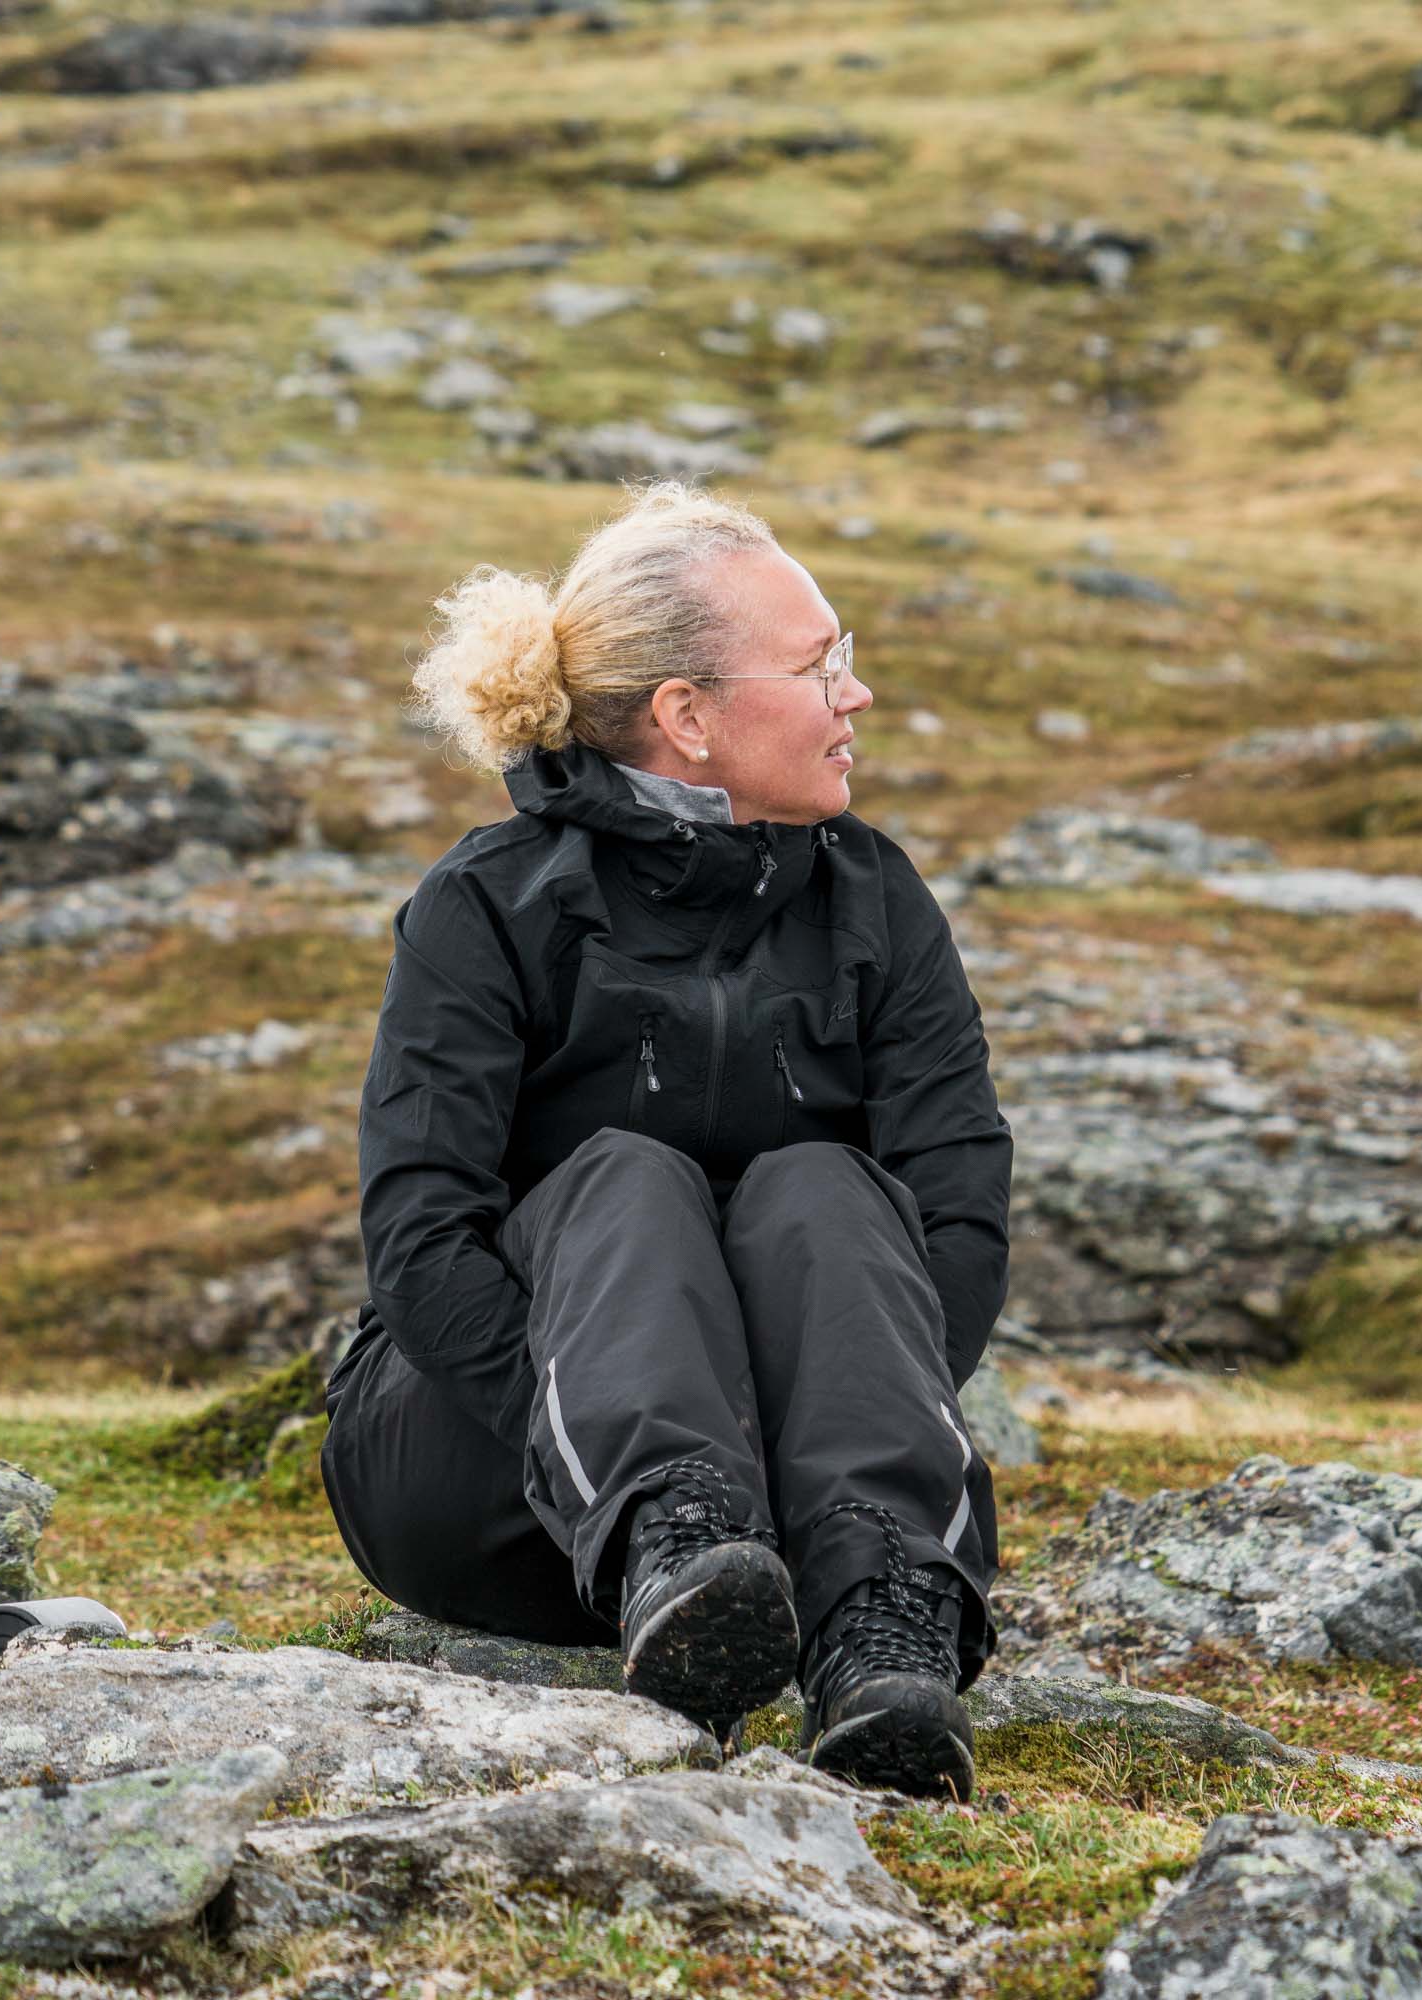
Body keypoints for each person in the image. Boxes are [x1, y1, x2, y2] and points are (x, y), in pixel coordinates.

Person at [320, 479, 1014, 1800]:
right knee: (628, 1183)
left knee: (822, 1188)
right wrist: (633, 1477)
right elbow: (419, 1245)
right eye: (820, 665)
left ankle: (881, 1637)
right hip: (492, 1477)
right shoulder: (486, 904)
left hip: (797, 1509)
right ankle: (680, 1548)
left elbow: (959, 1229)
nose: (857, 695)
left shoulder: (878, 899)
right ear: (687, 716)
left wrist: (785, 1472)